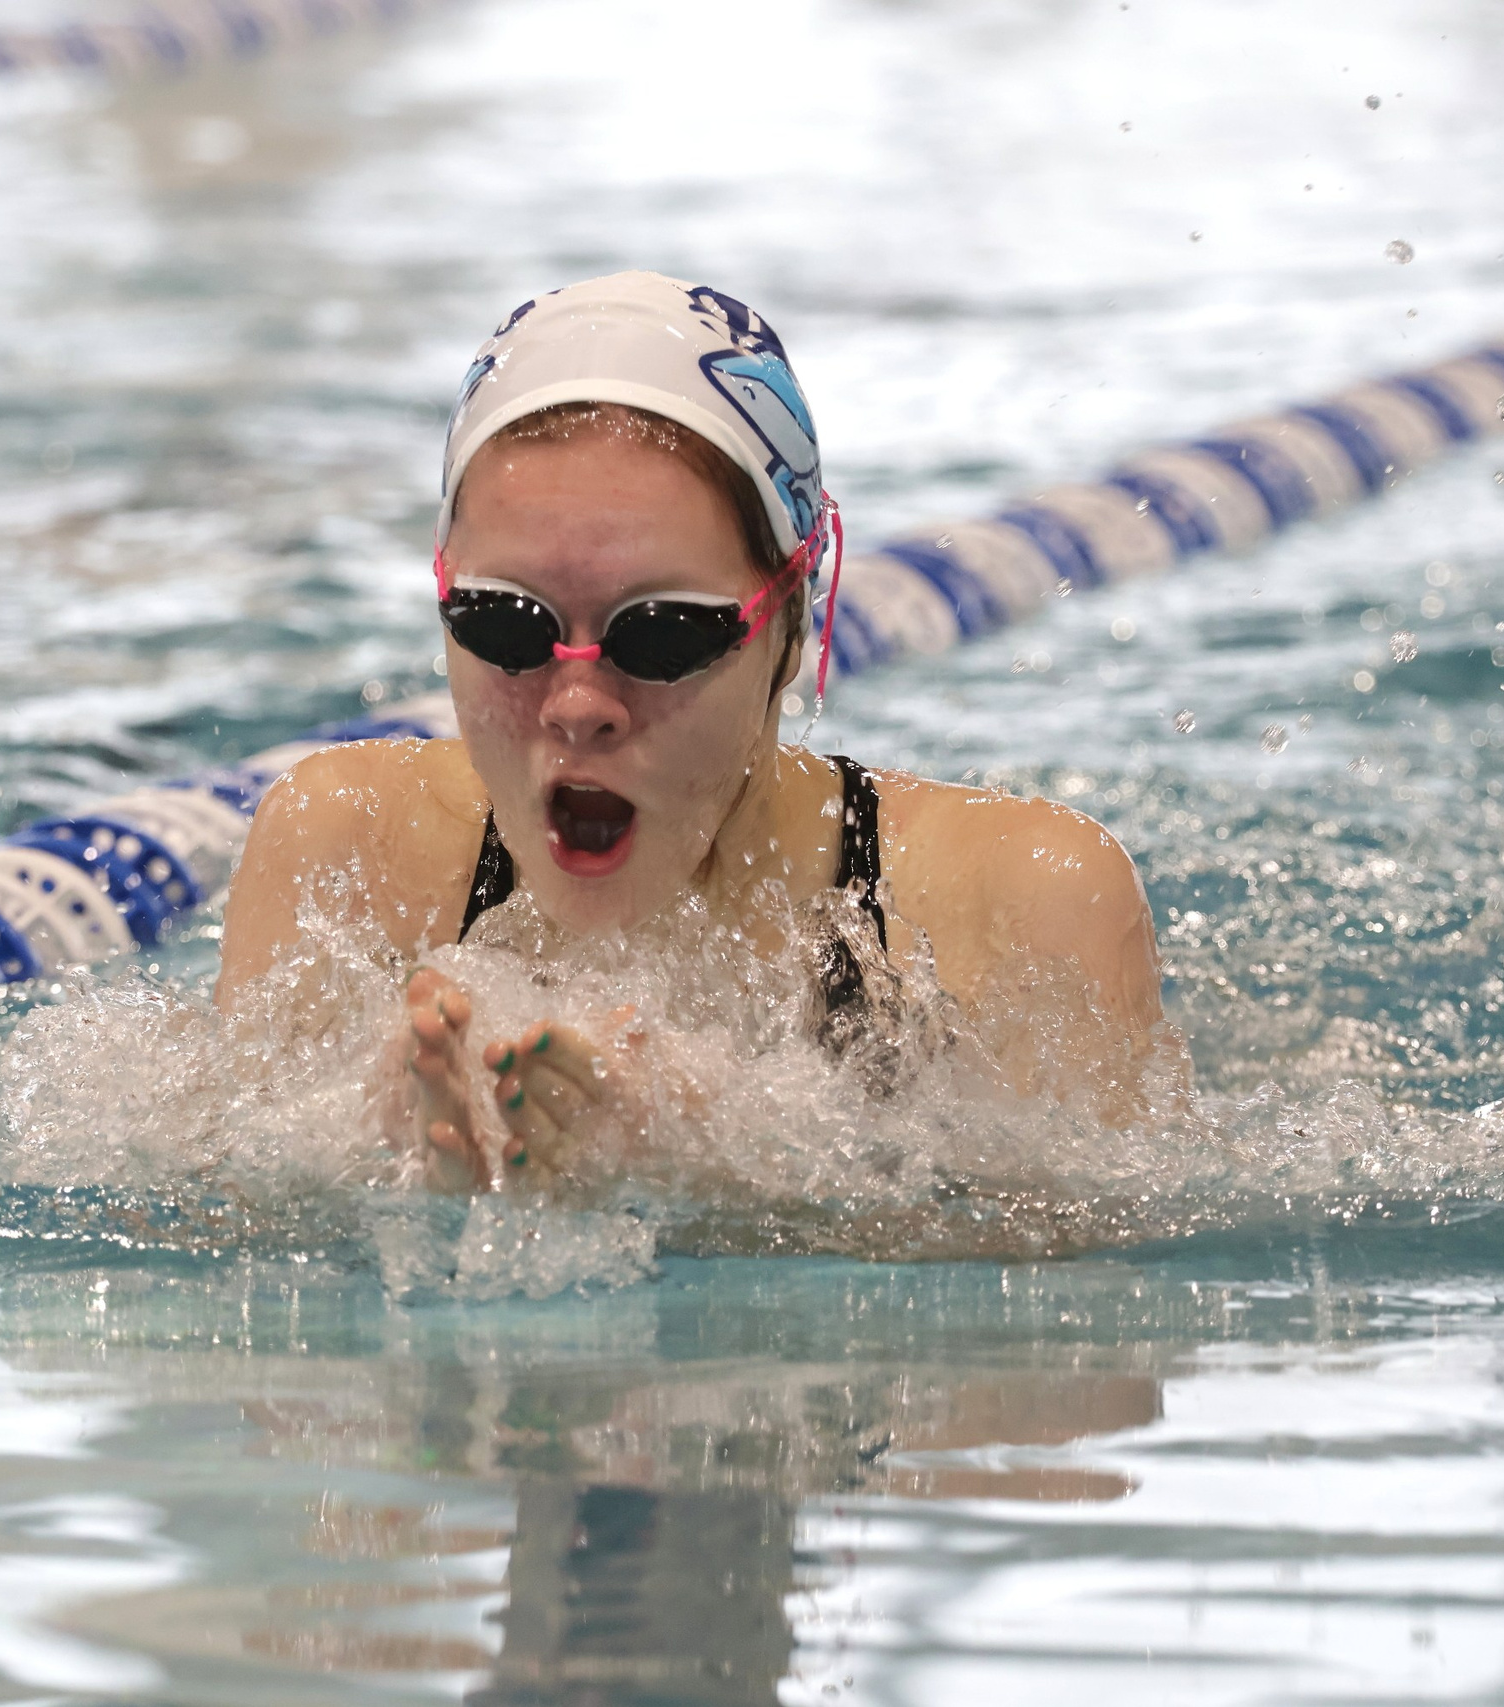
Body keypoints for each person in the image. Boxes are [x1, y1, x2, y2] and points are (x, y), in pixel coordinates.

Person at [216, 273, 1165, 1191]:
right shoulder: (349, 859)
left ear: (790, 623)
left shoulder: (1014, 907)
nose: (576, 703)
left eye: (660, 631)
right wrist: (360, 1180)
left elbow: (1103, 1280)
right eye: (506, 620)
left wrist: (728, 1180)